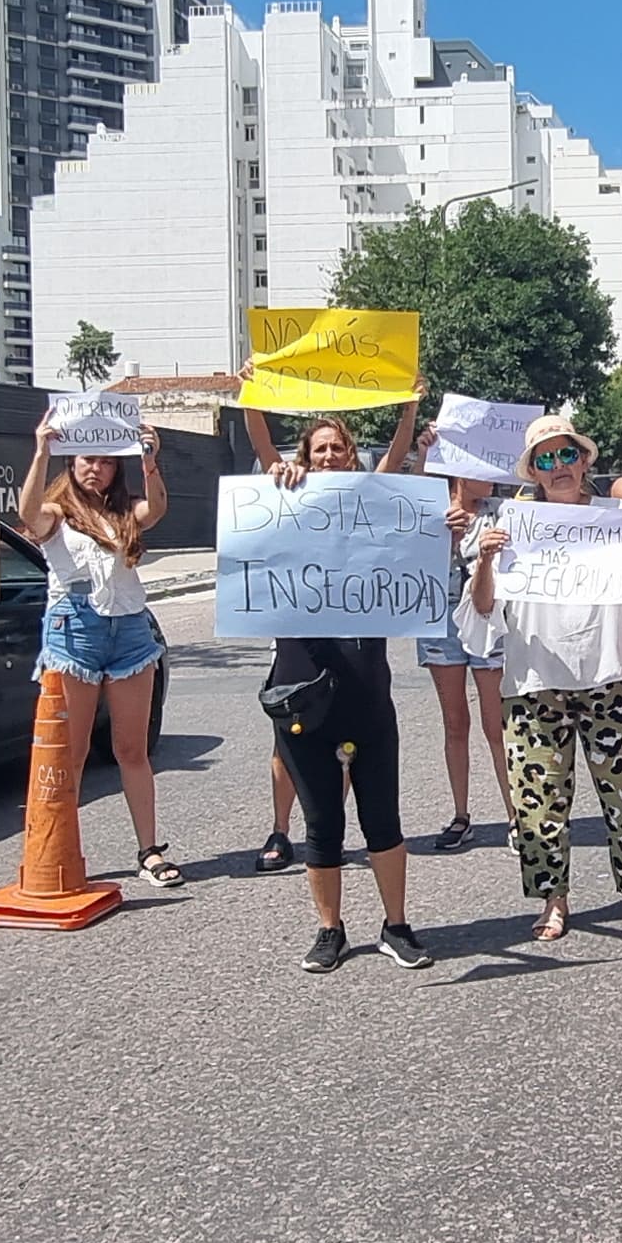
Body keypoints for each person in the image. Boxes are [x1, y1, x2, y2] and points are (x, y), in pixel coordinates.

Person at [239, 381, 429, 973]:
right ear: (304, 457)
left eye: (336, 450)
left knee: (382, 817)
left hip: (366, 683)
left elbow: (396, 462)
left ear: (351, 456)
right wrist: (252, 392)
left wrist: (409, 409)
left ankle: (396, 925)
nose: (327, 458)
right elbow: (260, 439)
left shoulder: (370, 502)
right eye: (317, 450)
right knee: (321, 820)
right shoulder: (281, 496)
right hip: (301, 685)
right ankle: (330, 931)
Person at [465, 414, 622, 943]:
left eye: (567, 455)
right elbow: (483, 608)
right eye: (545, 459)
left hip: (613, 675)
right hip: (535, 682)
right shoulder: (511, 527)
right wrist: (486, 561)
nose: (558, 466)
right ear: (533, 471)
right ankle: (552, 899)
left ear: (585, 461)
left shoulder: (619, 519)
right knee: (538, 801)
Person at [0, 417, 184, 890]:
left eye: (107, 462)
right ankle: (59, 852)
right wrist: (40, 451)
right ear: (73, 461)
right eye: (89, 459)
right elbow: (29, 512)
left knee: (131, 748)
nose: (96, 469)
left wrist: (150, 460)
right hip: (75, 630)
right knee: (72, 751)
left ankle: (149, 850)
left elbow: (155, 510)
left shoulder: (124, 510)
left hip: (129, 628)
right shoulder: (55, 510)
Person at [406, 433, 513, 857]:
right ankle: (461, 814)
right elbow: (408, 552)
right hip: (438, 618)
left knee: (497, 723)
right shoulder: (433, 508)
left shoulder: (502, 511)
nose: (493, 476)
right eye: (483, 468)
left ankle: (516, 815)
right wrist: (442, 538)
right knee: (455, 722)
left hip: (485, 614)